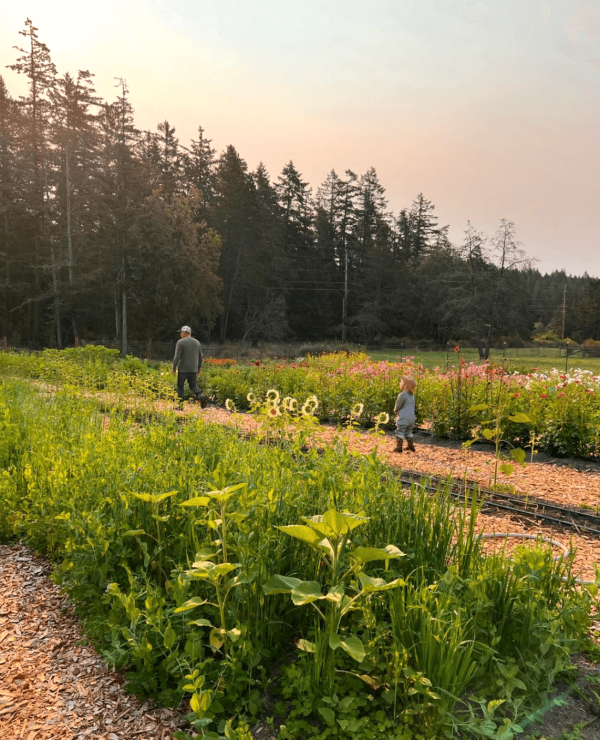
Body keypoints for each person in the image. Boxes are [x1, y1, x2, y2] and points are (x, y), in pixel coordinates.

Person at [172, 326, 207, 408]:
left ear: (184, 333)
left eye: (181, 333)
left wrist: (174, 367)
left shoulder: (180, 342)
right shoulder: (197, 343)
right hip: (193, 369)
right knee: (193, 386)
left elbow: (176, 357)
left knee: (180, 386)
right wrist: (199, 368)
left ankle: (180, 405)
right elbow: (200, 357)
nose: (180, 334)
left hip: (183, 369)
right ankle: (200, 395)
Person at [394, 376, 416, 453]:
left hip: (403, 417)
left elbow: (398, 404)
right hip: (411, 418)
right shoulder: (412, 396)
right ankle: (411, 446)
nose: (400, 384)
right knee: (408, 431)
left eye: (402, 383)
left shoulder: (402, 395)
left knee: (400, 430)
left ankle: (399, 447)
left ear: (405, 386)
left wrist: (395, 410)